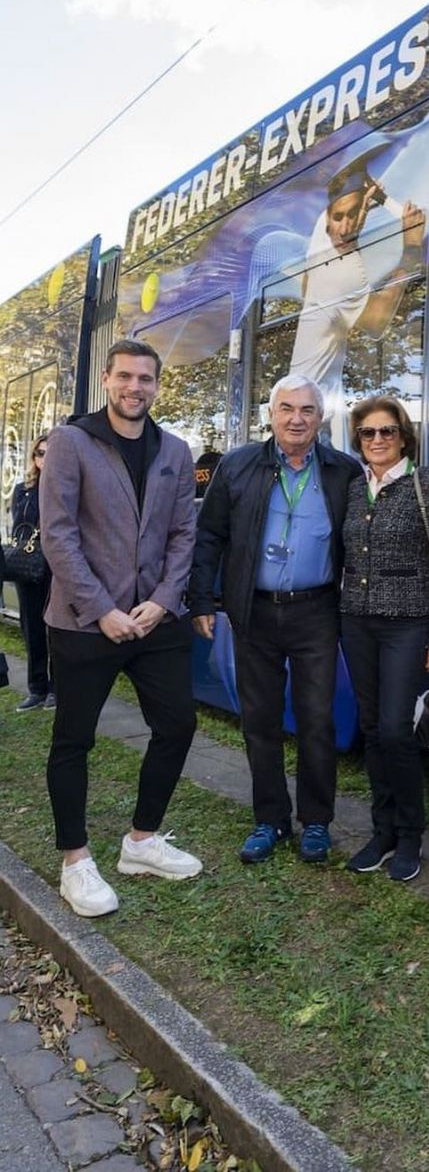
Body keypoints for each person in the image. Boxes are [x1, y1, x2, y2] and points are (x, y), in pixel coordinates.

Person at [40, 339, 201, 918]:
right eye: (126, 377)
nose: (136, 387)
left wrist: (162, 600)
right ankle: (75, 862)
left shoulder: (175, 451)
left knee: (178, 724)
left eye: (146, 379)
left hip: (154, 618)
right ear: (108, 380)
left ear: (158, 385)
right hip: (86, 622)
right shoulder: (71, 441)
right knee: (73, 739)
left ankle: (141, 841)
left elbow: (185, 532)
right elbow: (58, 534)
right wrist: (101, 608)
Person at [190, 373, 361, 865]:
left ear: (321, 418)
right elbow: (209, 537)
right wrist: (202, 600)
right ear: (272, 414)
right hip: (255, 612)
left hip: (317, 612)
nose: (296, 419)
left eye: (307, 410)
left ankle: (316, 823)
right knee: (259, 721)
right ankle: (269, 820)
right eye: (287, 408)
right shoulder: (238, 465)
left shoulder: (342, 471)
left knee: (316, 720)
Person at [340, 395, 429, 882]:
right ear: (358, 440)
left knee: (395, 730)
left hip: (409, 622)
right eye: (368, 433)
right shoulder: (351, 488)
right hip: (357, 622)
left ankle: (410, 835)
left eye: (387, 431)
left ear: (404, 436)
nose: (378, 440)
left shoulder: (427, 484)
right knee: (370, 729)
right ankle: (382, 831)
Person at [288, 164, 427, 443]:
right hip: (311, 423)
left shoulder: (320, 242)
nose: (345, 226)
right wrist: (412, 245)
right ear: (327, 220)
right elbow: (376, 323)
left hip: (304, 409)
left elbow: (345, 209)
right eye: (338, 218)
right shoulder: (344, 271)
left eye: (353, 214)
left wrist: (376, 199)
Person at [11, 433, 54, 712]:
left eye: (49, 453)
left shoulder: (66, 486)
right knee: (33, 629)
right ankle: (37, 688)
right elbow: (18, 526)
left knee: (59, 631)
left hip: (58, 567)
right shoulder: (23, 489)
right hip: (28, 565)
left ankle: (58, 689)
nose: (43, 458)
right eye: (39, 453)